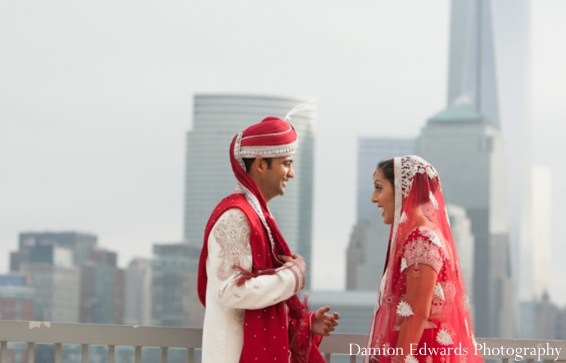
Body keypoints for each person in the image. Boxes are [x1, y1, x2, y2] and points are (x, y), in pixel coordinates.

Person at [197, 114, 340, 363]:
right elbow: (229, 291)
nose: (292, 174)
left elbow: (260, 301)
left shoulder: (257, 217)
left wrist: (303, 324)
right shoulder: (236, 218)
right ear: (261, 165)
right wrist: (292, 275)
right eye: (286, 163)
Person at [366, 155, 482, 363]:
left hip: (421, 353)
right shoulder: (424, 234)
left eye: (379, 188)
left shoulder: (421, 239)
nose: (373, 198)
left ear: (404, 191)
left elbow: (416, 315)